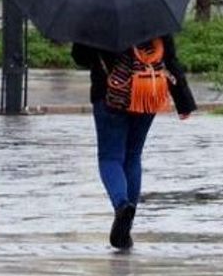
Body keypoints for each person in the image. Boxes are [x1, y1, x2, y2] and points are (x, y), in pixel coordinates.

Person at [72, 35, 196, 250]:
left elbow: (81, 56)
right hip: (147, 91)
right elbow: (170, 58)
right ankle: (126, 226)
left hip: (110, 95)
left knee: (110, 157)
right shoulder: (154, 13)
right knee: (133, 155)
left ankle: (122, 205)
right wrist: (183, 102)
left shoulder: (99, 17)